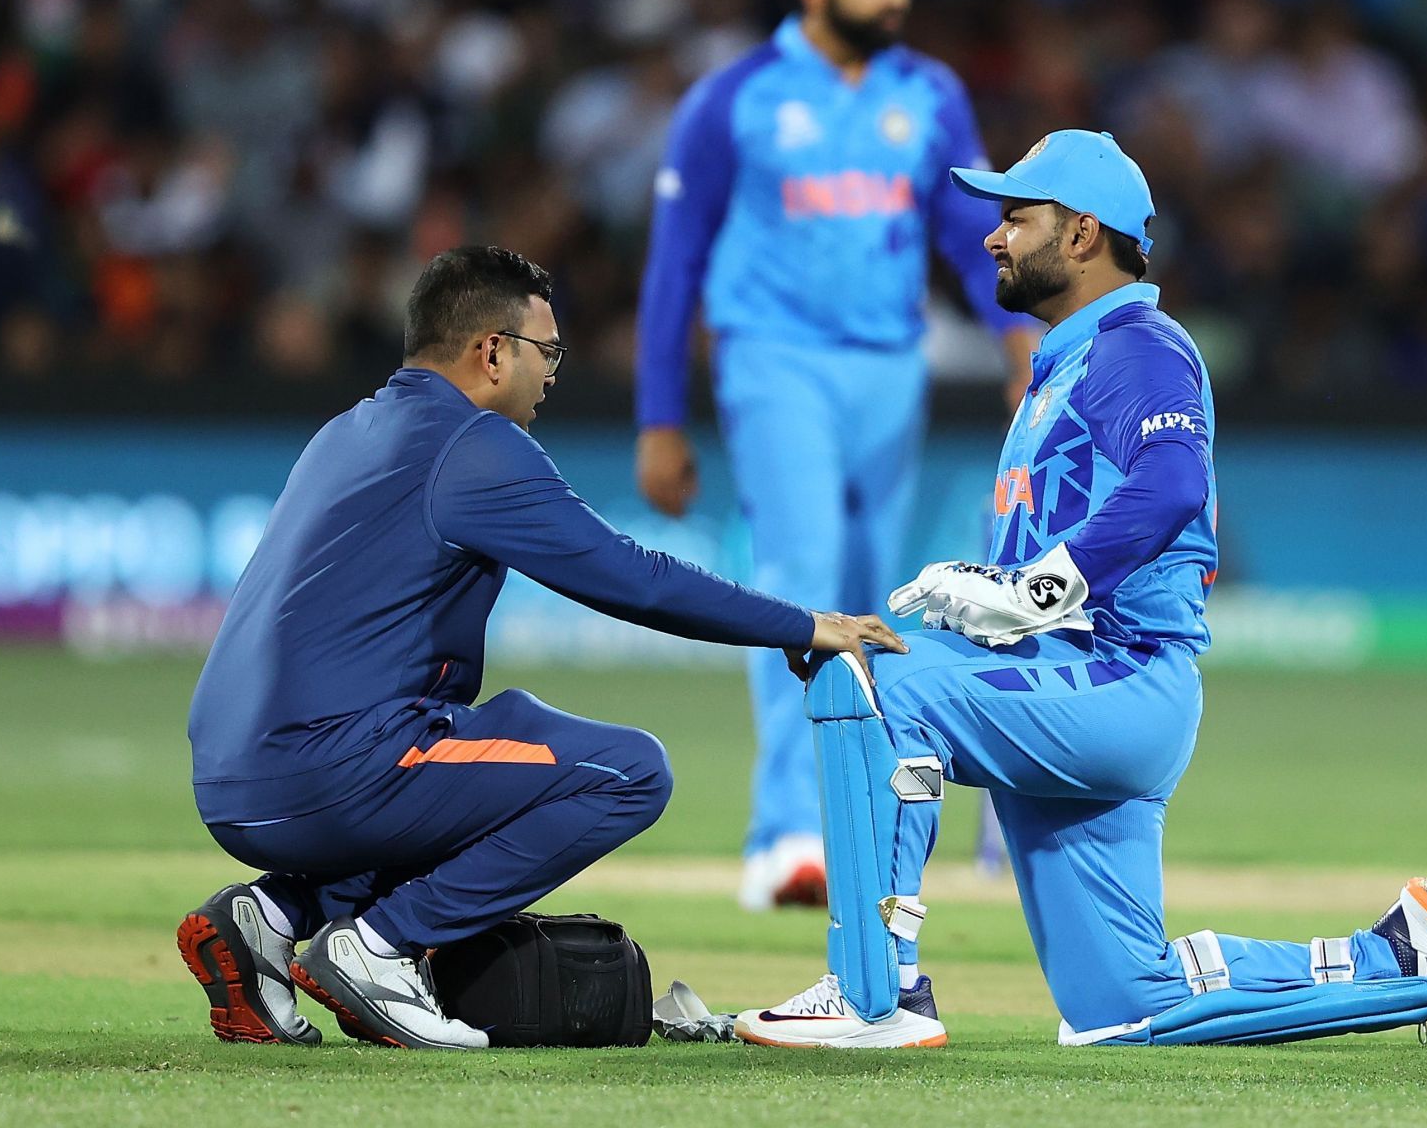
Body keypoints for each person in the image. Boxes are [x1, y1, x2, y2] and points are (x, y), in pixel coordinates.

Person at [734, 132, 1427, 1051]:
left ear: (1082, 235)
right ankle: (1404, 958)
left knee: (874, 687)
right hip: (1079, 687)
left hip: (1116, 682)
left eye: (1013, 218)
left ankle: (875, 993)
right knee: (1122, 1010)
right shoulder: (1070, 361)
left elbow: (1171, 484)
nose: (993, 239)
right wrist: (999, 592)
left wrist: (1034, 592)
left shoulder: (1138, 345)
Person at [179, 245, 905, 1050]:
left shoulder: (348, 430)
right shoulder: (472, 445)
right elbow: (633, 577)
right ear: (492, 352)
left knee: (486, 751)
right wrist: (803, 625)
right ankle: (382, 946)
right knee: (624, 773)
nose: (553, 372)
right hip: (329, 768)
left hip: (233, 775)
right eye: (547, 351)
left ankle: (272, 916)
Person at [633, 0, 1037, 912]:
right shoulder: (735, 98)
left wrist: (1014, 331)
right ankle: (785, 835)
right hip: (773, 359)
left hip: (889, 367)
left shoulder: (930, 92)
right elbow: (675, 264)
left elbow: (962, 230)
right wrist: (659, 417)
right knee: (801, 576)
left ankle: (854, 819)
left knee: (868, 591)